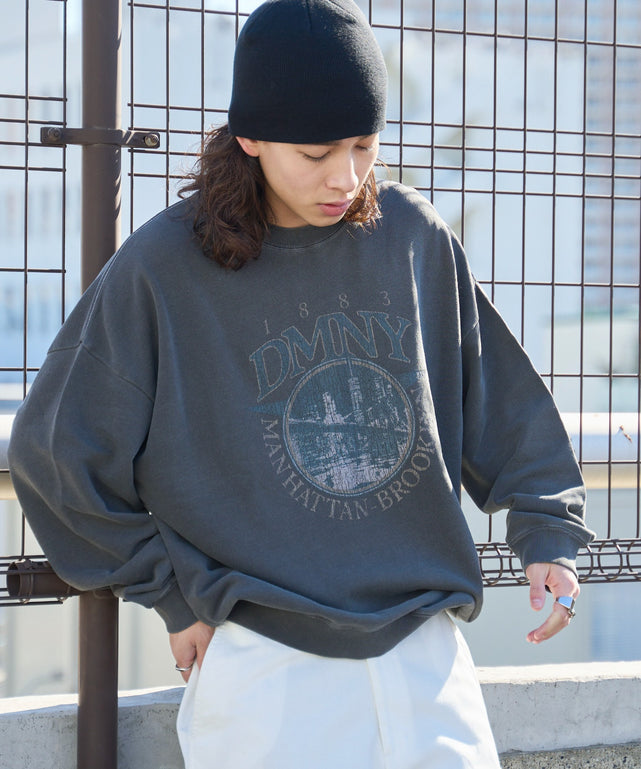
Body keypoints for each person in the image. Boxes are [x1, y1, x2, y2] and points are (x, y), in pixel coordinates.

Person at [9, 1, 595, 767]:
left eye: (363, 145)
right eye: (316, 153)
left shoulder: (412, 237)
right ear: (250, 136)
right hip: (263, 668)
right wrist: (170, 594)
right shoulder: (163, 268)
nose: (345, 177)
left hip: (425, 655)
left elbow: (502, 401)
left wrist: (548, 534)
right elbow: (55, 453)